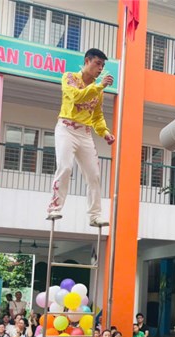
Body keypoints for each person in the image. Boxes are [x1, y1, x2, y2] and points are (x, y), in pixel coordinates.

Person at [46, 48, 115, 227]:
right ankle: (54, 208)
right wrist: (99, 86)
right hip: (66, 128)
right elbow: (76, 97)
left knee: (94, 174)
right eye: (97, 64)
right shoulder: (69, 77)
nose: (100, 69)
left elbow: (97, 116)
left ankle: (95, 215)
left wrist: (105, 132)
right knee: (65, 167)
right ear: (87, 61)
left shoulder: (98, 91)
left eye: (102, 65)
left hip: (85, 133)